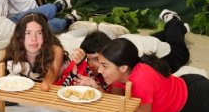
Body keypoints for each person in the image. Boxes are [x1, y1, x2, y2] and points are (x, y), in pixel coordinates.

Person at [58, 11, 190, 90]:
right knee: (154, 38)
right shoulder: (99, 50)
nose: (92, 65)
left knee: (178, 46)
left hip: (166, 53)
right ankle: (171, 30)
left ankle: (173, 20)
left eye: (97, 60)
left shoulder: (130, 60)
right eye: (89, 60)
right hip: (141, 42)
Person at [0, 14, 65, 85]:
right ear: (19, 36)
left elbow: (47, 85)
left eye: (39, 33)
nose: (34, 39)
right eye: (28, 33)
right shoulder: (11, 51)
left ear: (45, 36)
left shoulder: (55, 51)